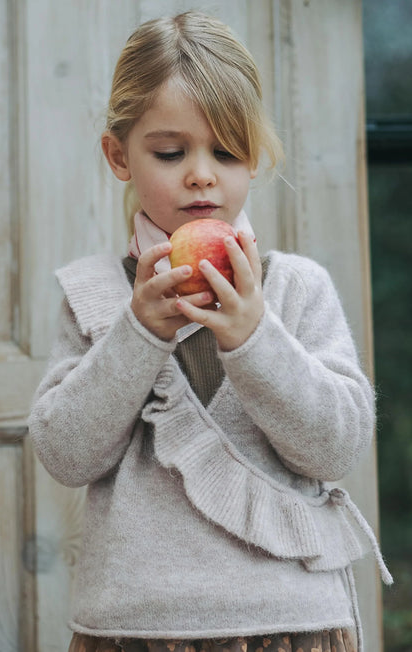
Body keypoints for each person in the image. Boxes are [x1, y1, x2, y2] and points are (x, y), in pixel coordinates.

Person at [28, 11, 392, 652]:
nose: (201, 173)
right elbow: (65, 455)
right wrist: (136, 333)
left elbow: (337, 449)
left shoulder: (296, 289)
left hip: (291, 624)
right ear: (119, 155)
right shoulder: (97, 299)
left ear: (254, 158)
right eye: (171, 153)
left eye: (227, 151)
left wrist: (255, 339)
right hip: (135, 630)